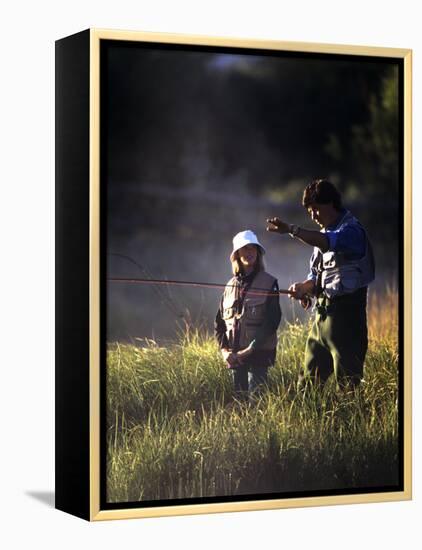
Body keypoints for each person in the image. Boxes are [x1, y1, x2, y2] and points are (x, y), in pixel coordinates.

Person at [266, 179, 375, 389]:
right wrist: (305, 288)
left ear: (331, 203)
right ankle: (308, 420)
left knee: (348, 386)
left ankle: (348, 421)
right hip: (321, 319)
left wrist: (291, 229)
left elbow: (329, 243)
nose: (313, 215)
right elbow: (317, 277)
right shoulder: (321, 236)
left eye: (316, 209)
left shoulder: (352, 232)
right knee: (307, 384)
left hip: (347, 319)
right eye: (309, 211)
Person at [215, 230, 282, 401]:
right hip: (235, 357)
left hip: (258, 356)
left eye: (253, 248)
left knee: (257, 403)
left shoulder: (269, 283)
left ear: (258, 253)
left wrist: (249, 350)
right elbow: (219, 324)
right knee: (239, 405)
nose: (250, 252)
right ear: (237, 254)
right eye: (245, 248)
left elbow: (272, 322)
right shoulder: (229, 286)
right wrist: (224, 351)